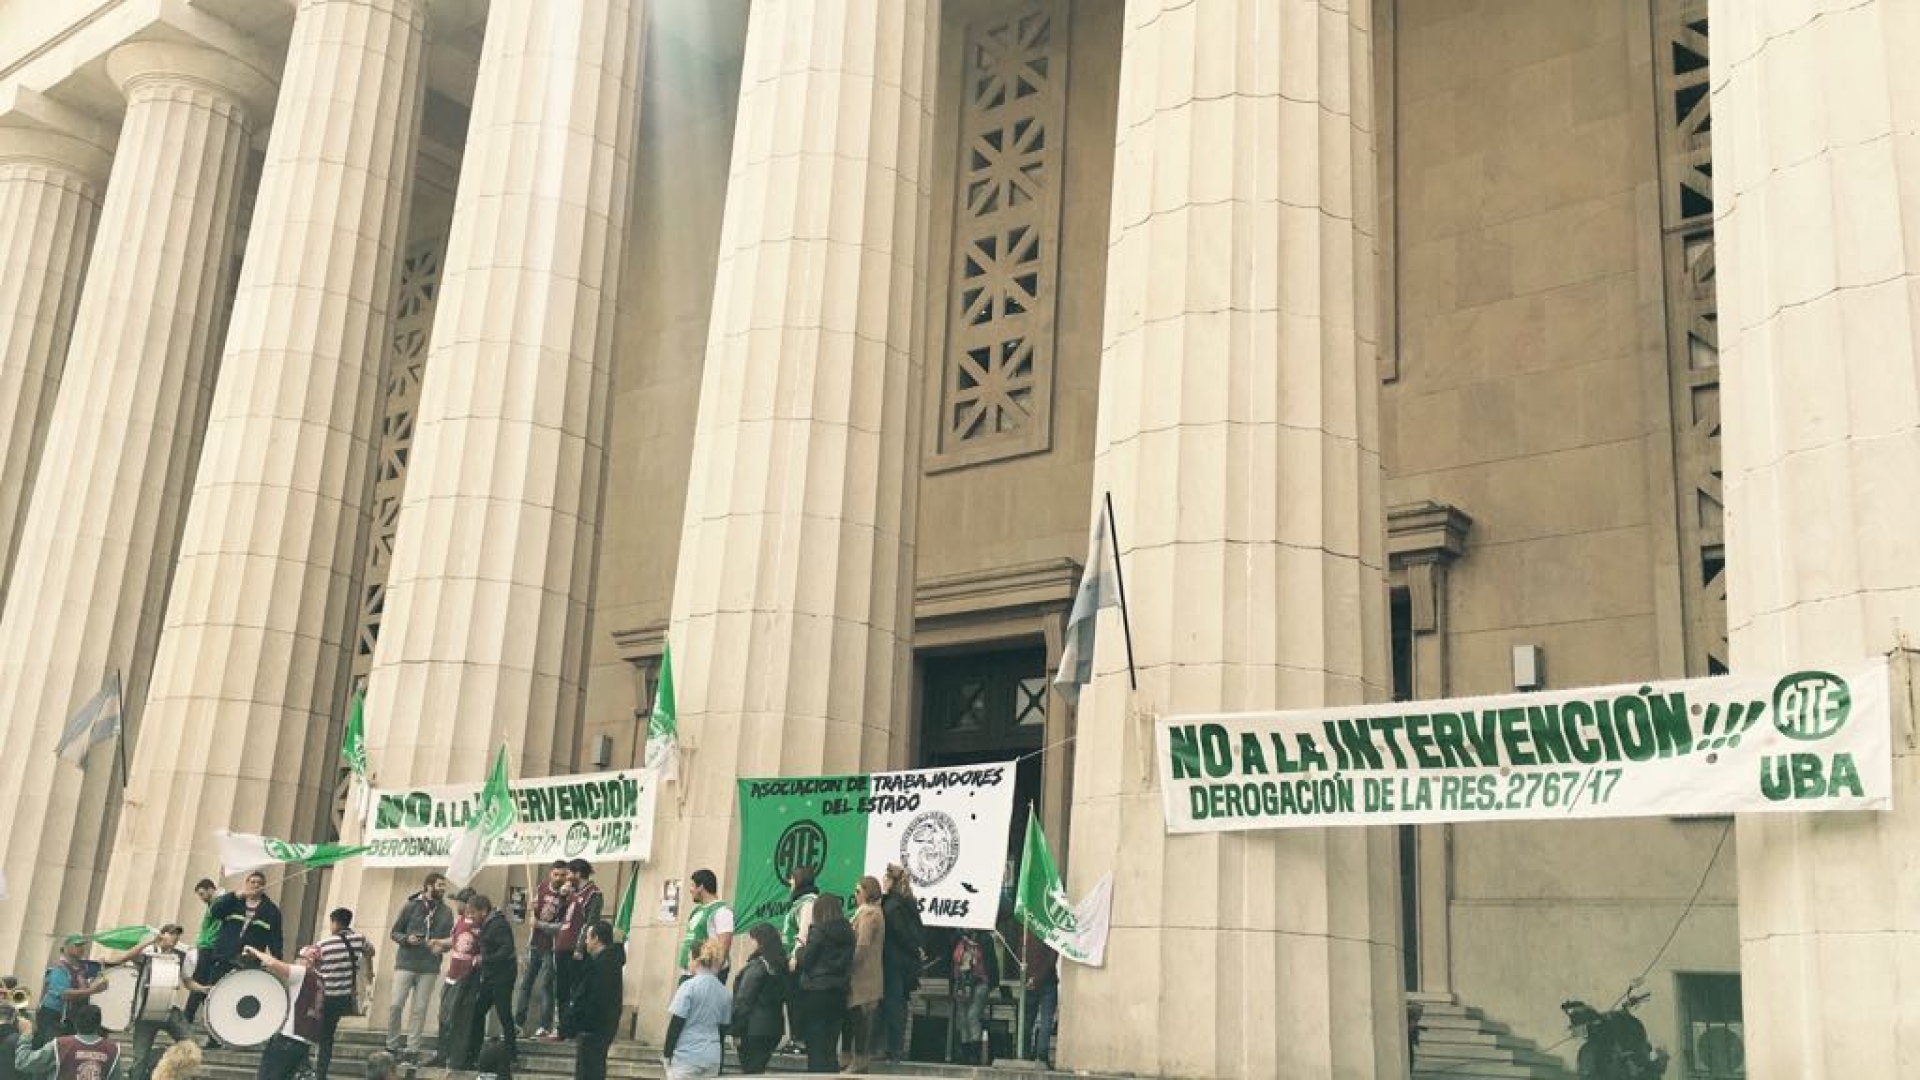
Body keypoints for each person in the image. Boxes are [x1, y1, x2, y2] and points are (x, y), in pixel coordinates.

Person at [97, 925, 201, 1080]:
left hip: (170, 1009)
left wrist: (204, 989)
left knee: (191, 1047)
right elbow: (126, 957)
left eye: (177, 935)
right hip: (146, 1009)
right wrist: (149, 942)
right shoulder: (147, 952)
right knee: (140, 1057)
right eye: (171, 934)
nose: (175, 938)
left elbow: (188, 981)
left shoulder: (183, 955)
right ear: (162, 934)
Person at [386, 872, 451, 1055]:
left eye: (444, 886)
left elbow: (450, 940)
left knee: (420, 1009)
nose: (443, 889)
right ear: (429, 886)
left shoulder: (446, 912)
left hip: (429, 965)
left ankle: (412, 1047)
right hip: (406, 962)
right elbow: (394, 932)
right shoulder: (411, 906)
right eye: (440, 885)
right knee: (396, 1004)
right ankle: (391, 1044)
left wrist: (442, 947)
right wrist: (407, 939)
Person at [238, 945, 326, 1080]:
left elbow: (273, 963)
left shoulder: (303, 973)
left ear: (308, 960)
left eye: (299, 958)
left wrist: (255, 952)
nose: (296, 961)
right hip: (304, 1043)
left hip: (287, 1040)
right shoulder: (320, 980)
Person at [791, 894, 852, 1075]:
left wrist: (800, 950)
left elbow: (808, 960)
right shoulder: (848, 932)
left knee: (815, 1045)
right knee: (830, 1046)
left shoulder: (818, 930)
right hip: (839, 991)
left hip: (816, 991)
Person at [311, 908, 374, 1080]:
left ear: (335, 923)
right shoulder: (360, 939)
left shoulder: (324, 944)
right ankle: (321, 1073)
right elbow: (371, 951)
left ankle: (314, 1070)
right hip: (343, 997)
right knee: (327, 1036)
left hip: (325, 997)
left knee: (314, 1033)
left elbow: (314, 965)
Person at [456, 895, 516, 1069]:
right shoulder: (487, 923)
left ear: (483, 911)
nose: (471, 916)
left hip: (502, 977)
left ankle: (512, 1056)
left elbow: (507, 948)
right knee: (477, 1012)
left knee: (504, 1014)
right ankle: (475, 1052)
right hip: (491, 977)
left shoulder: (498, 924)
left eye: (473, 913)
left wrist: (485, 959)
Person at [661, 940, 731, 1080]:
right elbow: (722, 1029)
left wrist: (667, 1054)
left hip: (687, 1056)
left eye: (689, 959)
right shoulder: (725, 992)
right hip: (712, 1056)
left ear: (696, 960)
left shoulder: (688, 986)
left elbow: (676, 1023)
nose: (688, 963)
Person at [424, 889, 478, 1068]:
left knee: (460, 1020)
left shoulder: (478, 924)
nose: (455, 905)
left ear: (467, 904)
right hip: (451, 976)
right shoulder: (460, 921)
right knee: (444, 1018)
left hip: (466, 979)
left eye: (458, 902)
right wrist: (439, 942)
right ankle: (441, 1054)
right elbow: (455, 941)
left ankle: (456, 1059)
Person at [513, 861, 567, 1038]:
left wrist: (540, 924)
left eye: (562, 875)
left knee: (546, 987)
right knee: (525, 984)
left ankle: (544, 1026)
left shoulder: (566, 897)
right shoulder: (541, 887)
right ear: (550, 874)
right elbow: (532, 912)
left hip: (551, 947)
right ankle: (518, 1023)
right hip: (534, 944)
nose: (559, 878)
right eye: (556, 874)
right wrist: (531, 910)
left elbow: (562, 926)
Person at [876, 864, 924, 1062]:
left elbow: (899, 933)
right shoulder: (905, 902)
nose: (883, 882)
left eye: (885, 879)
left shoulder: (892, 906)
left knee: (892, 1004)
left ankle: (892, 1048)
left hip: (893, 962)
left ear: (891, 881)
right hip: (903, 963)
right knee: (897, 1004)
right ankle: (893, 1047)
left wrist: (914, 950)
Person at [549, 860, 600, 1041]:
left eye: (569, 873)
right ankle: (562, 1028)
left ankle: (571, 1029)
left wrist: (580, 947)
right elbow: (559, 917)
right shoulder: (572, 893)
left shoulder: (593, 894)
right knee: (561, 991)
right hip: (561, 946)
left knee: (574, 991)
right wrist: (562, 898)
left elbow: (590, 922)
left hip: (575, 949)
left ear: (578, 874)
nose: (567, 878)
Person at [565, 922, 623, 1080]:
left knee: (588, 1074)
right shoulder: (602, 962)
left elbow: (596, 999)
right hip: (596, 1030)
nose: (585, 942)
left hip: (594, 1031)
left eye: (587, 938)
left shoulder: (605, 965)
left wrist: (583, 1023)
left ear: (596, 938)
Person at [729, 924, 786, 1075]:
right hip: (773, 1028)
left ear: (761, 941)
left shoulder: (757, 966)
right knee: (758, 1070)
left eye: (753, 939)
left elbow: (744, 1000)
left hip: (752, 1028)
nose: (751, 943)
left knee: (750, 1072)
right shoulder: (781, 965)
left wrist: (736, 1030)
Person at [12, 1003, 121, 1078]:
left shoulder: (60, 1045)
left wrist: (26, 1034)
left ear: (75, 1023)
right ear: (99, 1025)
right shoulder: (113, 1049)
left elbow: (23, 1062)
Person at [843, 877, 885, 1073]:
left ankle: (859, 1059)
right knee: (854, 1017)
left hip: (863, 974)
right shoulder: (870, 912)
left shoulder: (869, 914)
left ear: (868, 892)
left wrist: (849, 965)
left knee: (859, 1018)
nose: (855, 894)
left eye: (858, 891)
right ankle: (850, 1057)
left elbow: (862, 944)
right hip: (865, 973)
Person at [34, 937, 105, 1048]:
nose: (81, 948)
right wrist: (92, 990)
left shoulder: (82, 969)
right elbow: (64, 994)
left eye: (82, 945)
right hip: (53, 1016)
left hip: (71, 1018)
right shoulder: (58, 968)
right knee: (51, 1050)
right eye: (77, 945)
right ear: (66, 948)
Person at [778, 865, 819, 1054]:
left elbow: (803, 933)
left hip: (799, 960)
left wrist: (795, 957)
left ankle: (800, 1040)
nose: (790, 882)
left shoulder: (809, 902)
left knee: (797, 1000)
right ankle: (794, 1038)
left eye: (793, 878)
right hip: (789, 958)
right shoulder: (798, 902)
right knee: (791, 999)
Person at [209, 872, 283, 967]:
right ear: (246, 884)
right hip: (223, 959)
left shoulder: (272, 911)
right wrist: (233, 896)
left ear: (264, 887)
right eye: (253, 882)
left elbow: (276, 941)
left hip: (248, 964)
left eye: (260, 883)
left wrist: (276, 964)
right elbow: (215, 911)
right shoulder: (234, 902)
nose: (256, 885)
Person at [950, 928, 998, 1066]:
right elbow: (952, 959)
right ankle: (965, 1053)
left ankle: (974, 1053)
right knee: (962, 1017)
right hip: (960, 983)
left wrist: (992, 982)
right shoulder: (957, 938)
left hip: (979, 981)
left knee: (972, 1015)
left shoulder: (985, 938)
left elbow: (990, 961)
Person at [677, 870, 734, 983]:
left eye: (692, 885)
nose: (690, 890)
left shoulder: (722, 911)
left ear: (701, 887)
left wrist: (711, 977)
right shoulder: (697, 910)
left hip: (705, 977)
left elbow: (724, 946)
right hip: (689, 974)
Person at [183, 881, 222, 1025]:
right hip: (206, 946)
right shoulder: (213, 905)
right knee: (202, 984)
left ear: (211, 890)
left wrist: (202, 943)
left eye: (202, 894)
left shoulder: (217, 905)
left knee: (198, 982)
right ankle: (197, 1017)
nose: (201, 898)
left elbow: (214, 928)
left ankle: (188, 1016)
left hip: (209, 947)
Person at [1022, 934, 1058, 1068]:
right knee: (1046, 1021)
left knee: (1027, 1021)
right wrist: (1037, 978)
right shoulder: (1049, 935)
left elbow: (1020, 956)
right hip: (1047, 981)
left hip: (1029, 981)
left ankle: (1025, 1054)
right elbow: (1051, 959)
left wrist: (1029, 978)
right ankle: (1041, 1056)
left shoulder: (1026, 934)